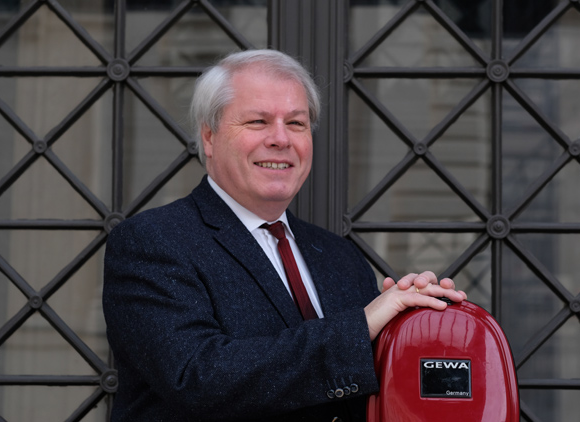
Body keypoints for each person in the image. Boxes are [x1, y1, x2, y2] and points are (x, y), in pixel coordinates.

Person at [102, 49, 467, 422]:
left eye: (296, 123)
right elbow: (197, 378)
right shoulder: (152, 242)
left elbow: (371, 391)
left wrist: (415, 327)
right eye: (258, 121)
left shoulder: (339, 256)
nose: (281, 139)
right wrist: (361, 326)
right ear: (208, 137)